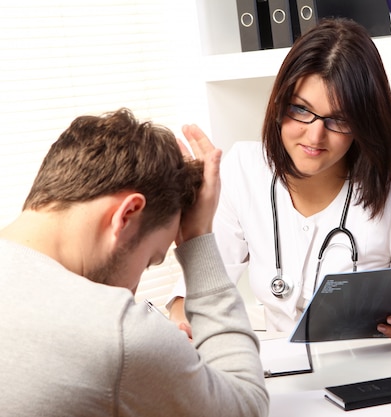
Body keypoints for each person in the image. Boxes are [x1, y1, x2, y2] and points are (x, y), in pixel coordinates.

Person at [169, 18, 391, 345]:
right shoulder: (243, 170)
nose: (314, 135)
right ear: (280, 104)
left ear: (363, 122)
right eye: (301, 110)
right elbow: (194, 293)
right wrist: (182, 322)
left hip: (374, 375)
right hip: (284, 379)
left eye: (338, 119)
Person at [0, 109, 269, 416]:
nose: (132, 290)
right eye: (150, 261)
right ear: (127, 214)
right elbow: (246, 407)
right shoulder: (114, 330)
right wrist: (198, 239)